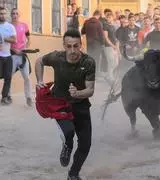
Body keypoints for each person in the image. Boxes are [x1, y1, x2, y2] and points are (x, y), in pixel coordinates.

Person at [35, 29, 96, 180]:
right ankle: (67, 146)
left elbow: (90, 90)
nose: (72, 50)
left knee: (85, 144)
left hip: (81, 105)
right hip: (60, 104)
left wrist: (78, 93)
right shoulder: (56, 57)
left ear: (81, 45)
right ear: (64, 45)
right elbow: (39, 61)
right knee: (69, 133)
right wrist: (39, 81)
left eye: (76, 46)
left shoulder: (88, 62)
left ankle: (73, 174)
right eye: (69, 46)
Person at [10, 8, 32, 106]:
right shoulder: (8, 26)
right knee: (8, 77)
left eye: (16, 13)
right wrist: (15, 50)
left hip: (22, 55)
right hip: (12, 55)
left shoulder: (24, 25)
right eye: (13, 13)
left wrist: (26, 47)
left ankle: (28, 98)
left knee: (27, 77)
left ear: (19, 15)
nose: (15, 15)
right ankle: (8, 96)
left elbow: (28, 37)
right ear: (11, 15)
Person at [0, 7, 17, 105]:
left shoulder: (10, 26)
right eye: (1, 13)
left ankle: (4, 97)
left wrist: (3, 39)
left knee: (8, 78)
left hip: (8, 55)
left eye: (4, 13)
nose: (2, 15)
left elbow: (14, 40)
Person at [81, 10, 104, 74]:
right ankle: (95, 74)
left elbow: (82, 31)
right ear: (98, 15)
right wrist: (102, 43)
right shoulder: (99, 23)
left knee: (90, 58)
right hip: (97, 44)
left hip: (89, 44)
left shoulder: (87, 22)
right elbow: (101, 35)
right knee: (96, 59)